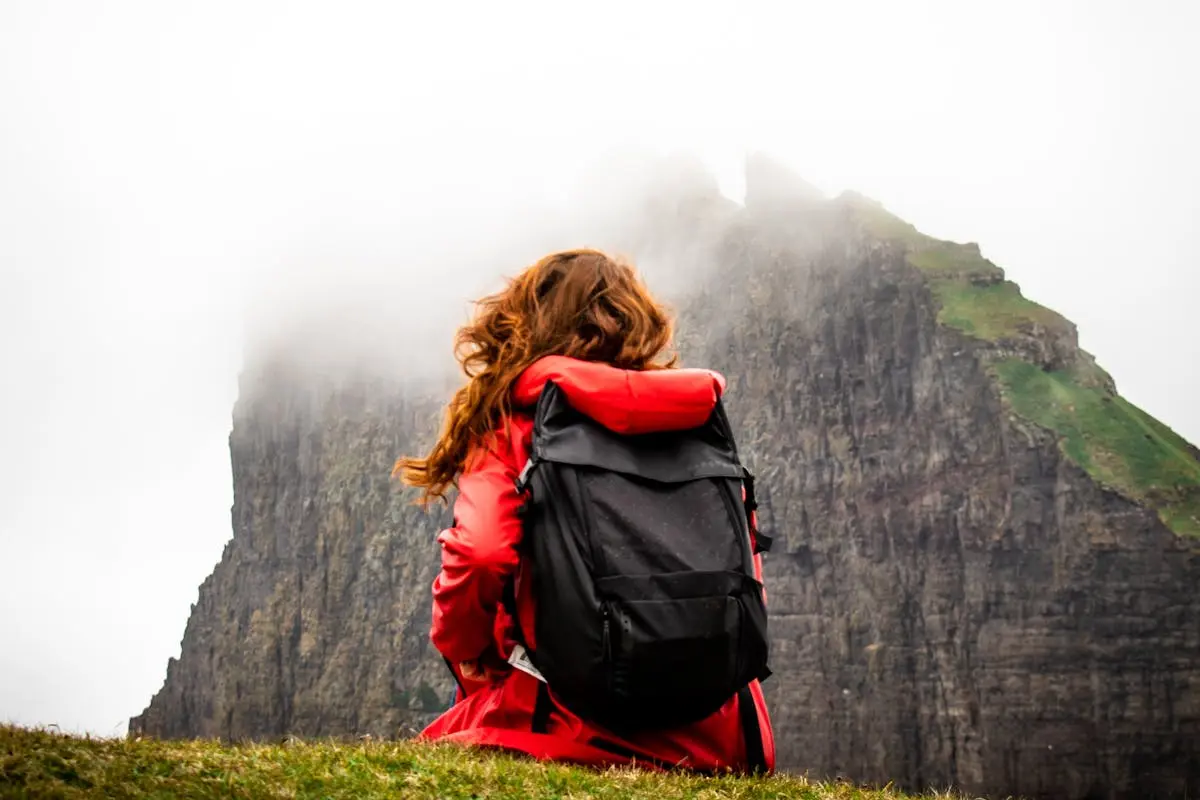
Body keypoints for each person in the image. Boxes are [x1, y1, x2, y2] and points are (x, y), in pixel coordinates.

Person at [394, 248, 775, 773]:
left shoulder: (519, 426)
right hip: (717, 733)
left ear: (525, 326)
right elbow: (744, 568)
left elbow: (480, 554)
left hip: (568, 722)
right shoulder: (696, 424)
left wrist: (466, 649)